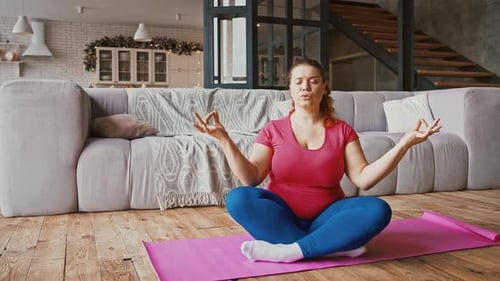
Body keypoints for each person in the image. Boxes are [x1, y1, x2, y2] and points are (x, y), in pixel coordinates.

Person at [193, 58, 441, 263]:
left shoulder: (342, 131)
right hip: (283, 217)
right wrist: (225, 140)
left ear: (324, 87)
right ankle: (332, 245)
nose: (305, 88)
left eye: (313, 81)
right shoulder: (273, 130)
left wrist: (404, 144)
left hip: (328, 217)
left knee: (378, 209)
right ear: (290, 88)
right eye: (299, 82)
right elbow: (251, 177)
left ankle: (290, 251)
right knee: (238, 198)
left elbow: (364, 179)